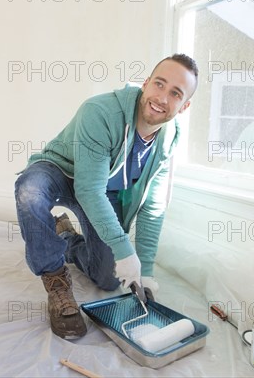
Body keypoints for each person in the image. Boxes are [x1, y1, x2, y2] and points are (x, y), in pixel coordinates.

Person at [14, 54, 199, 339]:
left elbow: (153, 207)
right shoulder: (100, 111)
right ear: (146, 83)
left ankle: (64, 237)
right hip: (62, 171)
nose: (162, 98)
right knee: (30, 191)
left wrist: (145, 271)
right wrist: (125, 249)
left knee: (107, 278)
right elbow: (88, 189)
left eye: (175, 93)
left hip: (104, 191)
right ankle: (55, 279)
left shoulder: (169, 136)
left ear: (184, 106)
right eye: (159, 84)